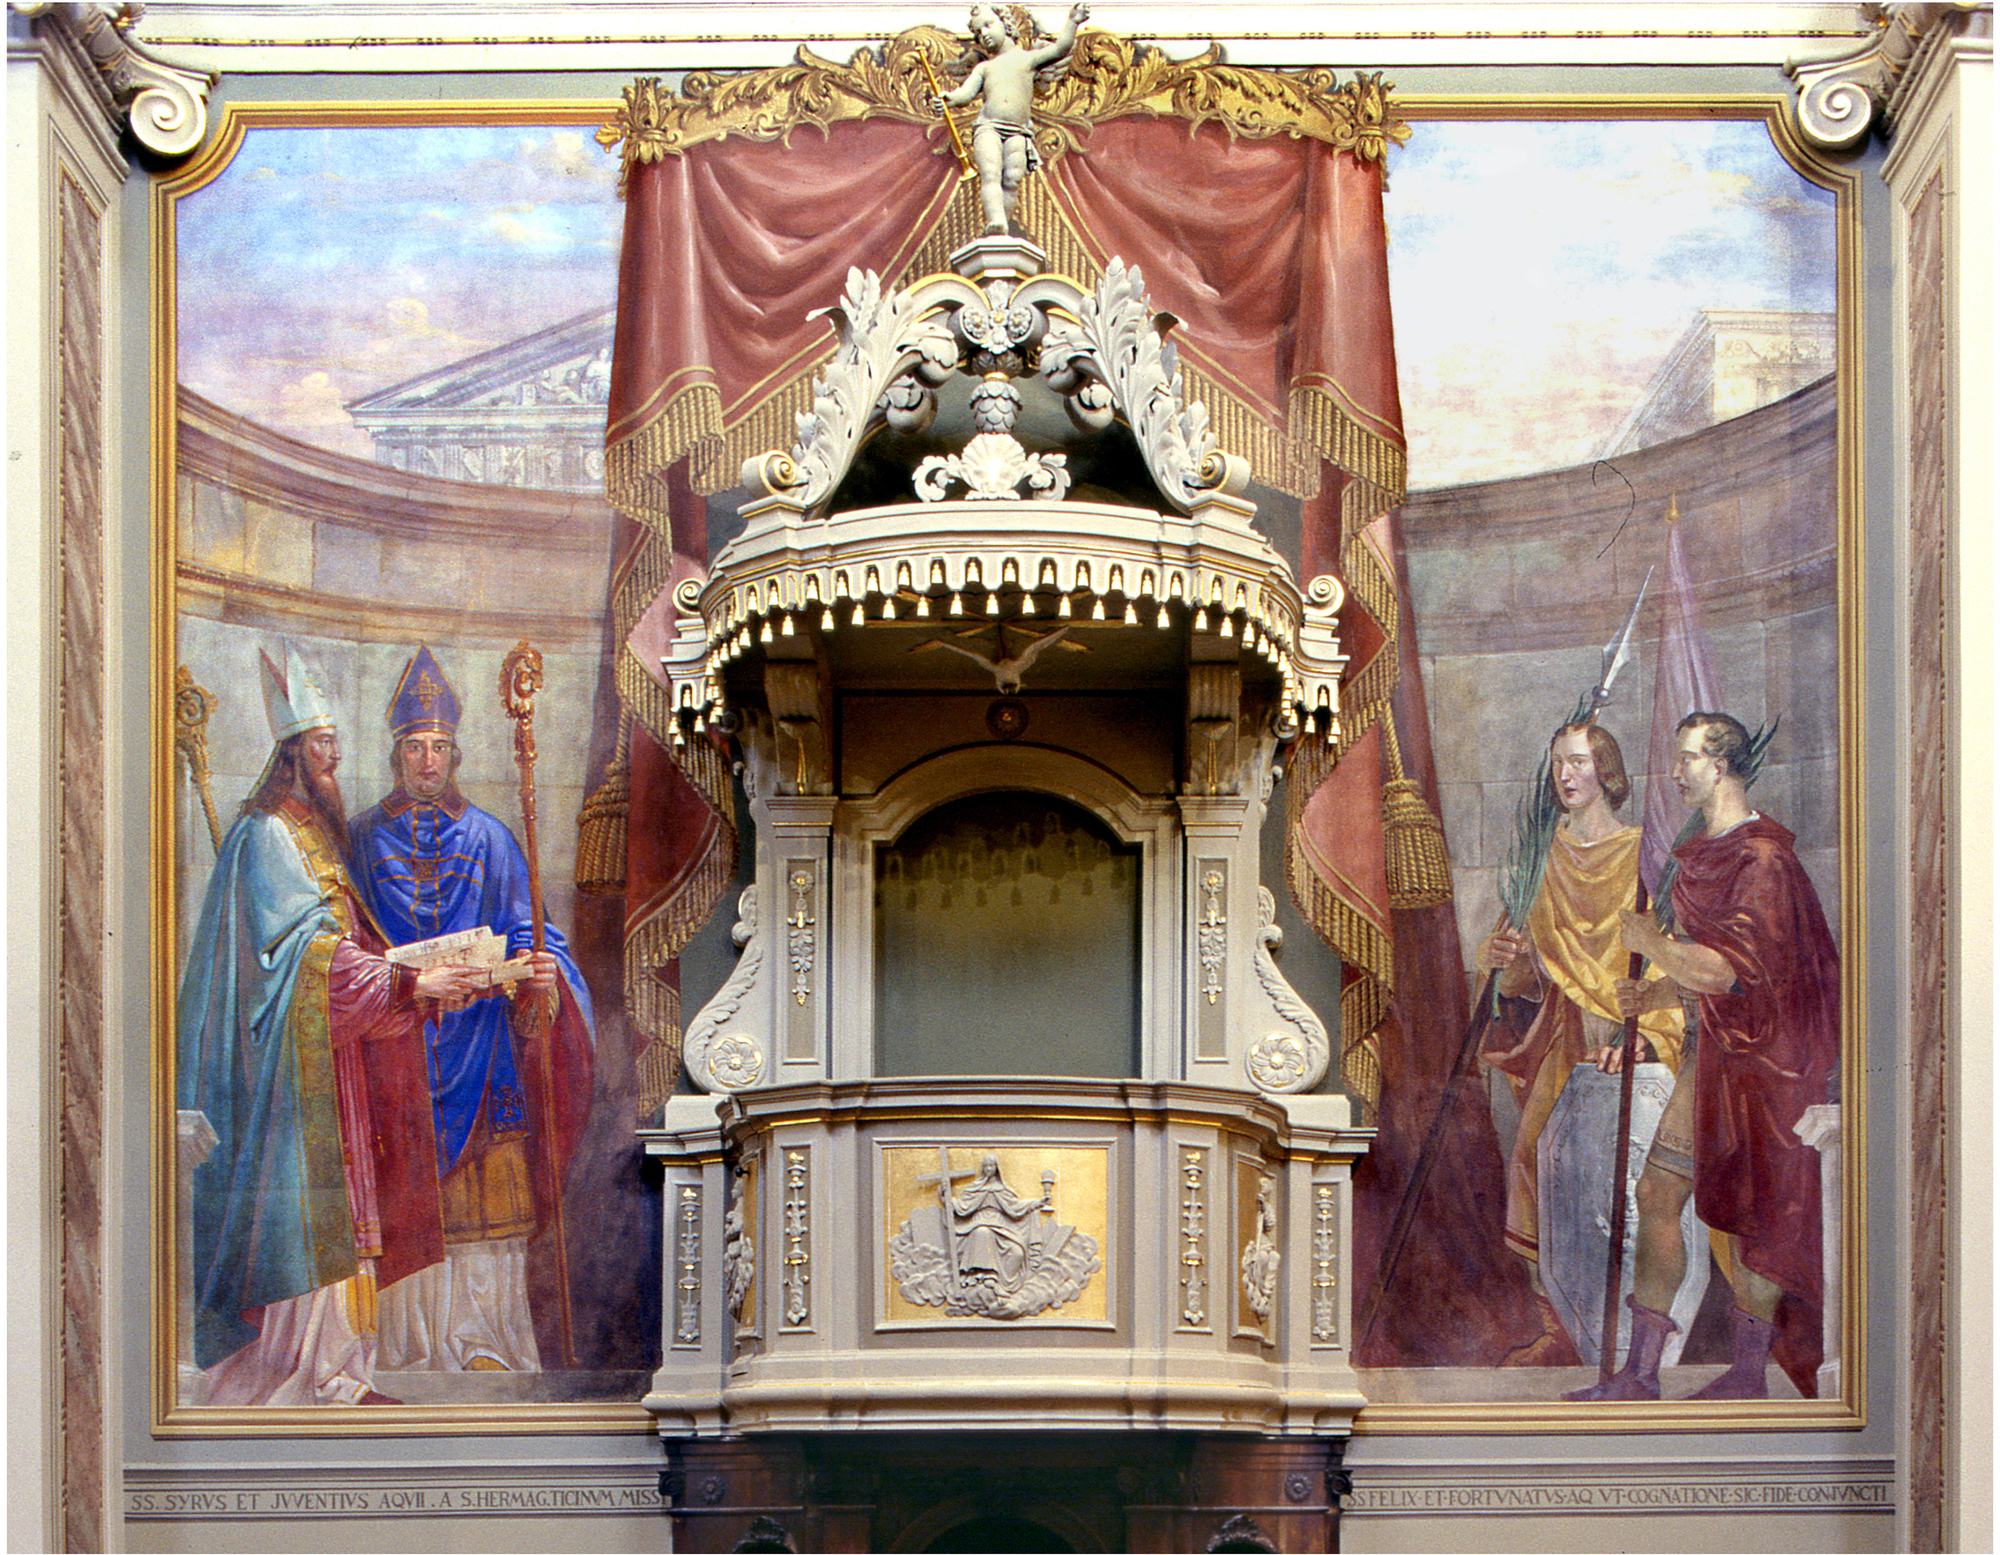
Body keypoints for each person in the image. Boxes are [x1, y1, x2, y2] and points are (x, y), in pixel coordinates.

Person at [178, 642, 490, 1405]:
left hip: (330, 1056)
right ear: (293, 753)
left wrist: (414, 986)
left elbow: (343, 948)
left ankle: (342, 1369)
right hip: (288, 1073)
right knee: (305, 1213)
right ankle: (307, 1372)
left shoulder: (311, 833)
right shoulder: (263, 835)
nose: (336, 757)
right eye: (323, 744)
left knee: (347, 1208)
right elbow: (303, 960)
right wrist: (409, 981)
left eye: (335, 743)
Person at [1572, 711, 1839, 1401]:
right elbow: (1715, 970)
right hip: (1713, 1054)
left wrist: (1652, 945)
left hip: (1765, 1066)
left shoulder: (1763, 861)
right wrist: (1655, 989)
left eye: (1688, 758)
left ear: (1720, 766)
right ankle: (1640, 1372)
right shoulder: (1705, 855)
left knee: (1754, 1217)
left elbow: (1728, 972)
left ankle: (1747, 1373)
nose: (1676, 772)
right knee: (1657, 1193)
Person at [348, 645, 596, 1374]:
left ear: (454, 755)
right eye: (415, 747)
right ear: (397, 755)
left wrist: (541, 970)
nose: (427, 761)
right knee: (399, 1187)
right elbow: (347, 937)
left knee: (487, 1195)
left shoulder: (489, 835)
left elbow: (527, 926)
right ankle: (405, 1345)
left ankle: (484, 1342)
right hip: (395, 1041)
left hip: (481, 1042)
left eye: (438, 747)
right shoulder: (360, 838)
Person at [1477, 721, 1684, 1365]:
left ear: (1606, 771)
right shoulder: (1542, 860)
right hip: (1567, 1034)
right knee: (1535, 1162)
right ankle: (1560, 1328)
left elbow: (1670, 956)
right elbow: (1522, 982)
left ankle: (1634, 1333)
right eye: (1558, 764)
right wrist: (1506, 960)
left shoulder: (1643, 853)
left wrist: (1647, 1036)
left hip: (1632, 1030)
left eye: (1580, 762)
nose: (1567, 776)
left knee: (1632, 1182)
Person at [931, 2, 1089, 234]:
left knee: (1012, 180)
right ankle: (996, 222)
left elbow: (1060, 49)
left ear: (1006, 24)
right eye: (978, 32)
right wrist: (948, 98)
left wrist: (1073, 21)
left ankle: (1002, 228)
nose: (984, 34)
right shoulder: (984, 68)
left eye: (987, 25)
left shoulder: (1027, 59)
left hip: (1018, 130)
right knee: (990, 174)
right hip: (989, 128)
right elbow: (965, 94)